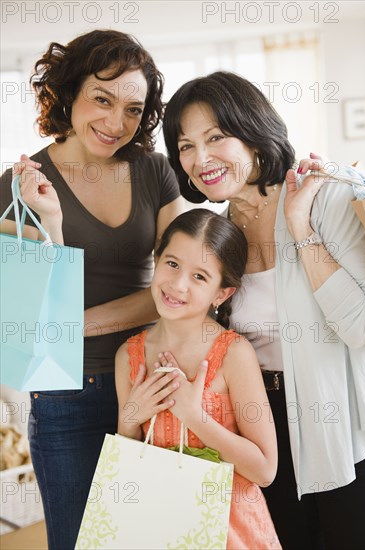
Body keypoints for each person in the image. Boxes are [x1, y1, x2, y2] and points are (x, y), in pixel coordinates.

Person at [159, 72, 365, 550]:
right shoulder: (218, 234)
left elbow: (358, 326)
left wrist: (300, 227)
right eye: (186, 145)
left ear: (253, 131)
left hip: (346, 424)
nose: (200, 158)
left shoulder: (327, 196)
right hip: (262, 430)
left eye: (216, 137)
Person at [0, 30, 183, 549]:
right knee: (81, 541)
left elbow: (176, 285)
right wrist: (52, 225)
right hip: (64, 395)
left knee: (157, 536)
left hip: (149, 376)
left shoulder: (155, 171)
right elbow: (26, 313)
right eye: (102, 99)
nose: (115, 122)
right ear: (70, 91)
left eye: (133, 108)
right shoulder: (21, 187)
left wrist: (76, 325)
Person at [116, 208, 280, 549]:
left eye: (200, 276)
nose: (177, 284)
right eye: (172, 264)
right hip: (158, 526)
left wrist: (195, 417)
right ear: (156, 260)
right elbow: (129, 458)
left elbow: (265, 470)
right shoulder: (128, 356)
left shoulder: (235, 354)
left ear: (222, 294)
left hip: (230, 531)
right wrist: (128, 422)